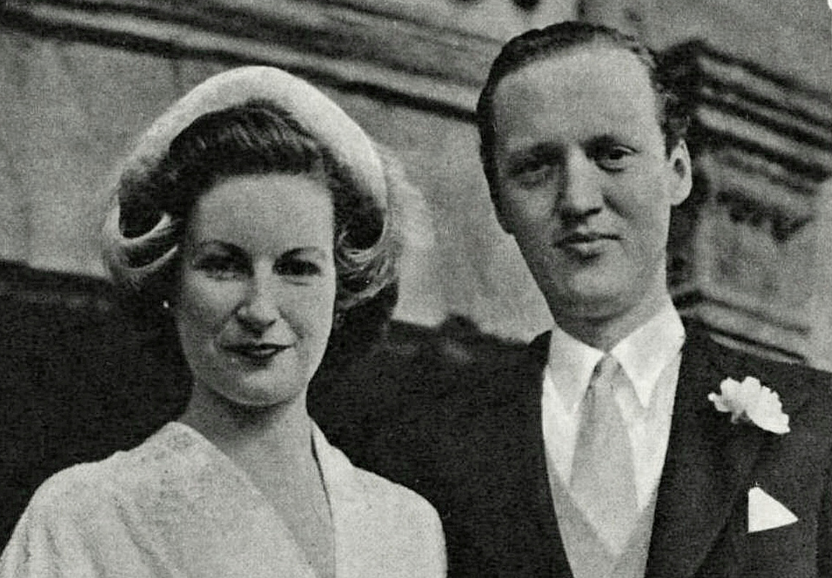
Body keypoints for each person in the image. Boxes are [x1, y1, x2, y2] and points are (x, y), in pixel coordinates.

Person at [339, 21, 832, 578]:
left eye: (611, 154)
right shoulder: (420, 448)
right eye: (535, 167)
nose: (577, 199)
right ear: (500, 203)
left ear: (677, 171)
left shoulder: (819, 424)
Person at [0, 66, 445, 578]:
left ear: (343, 289)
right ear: (170, 280)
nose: (259, 308)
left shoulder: (405, 527)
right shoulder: (84, 515)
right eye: (223, 265)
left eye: (297, 268)